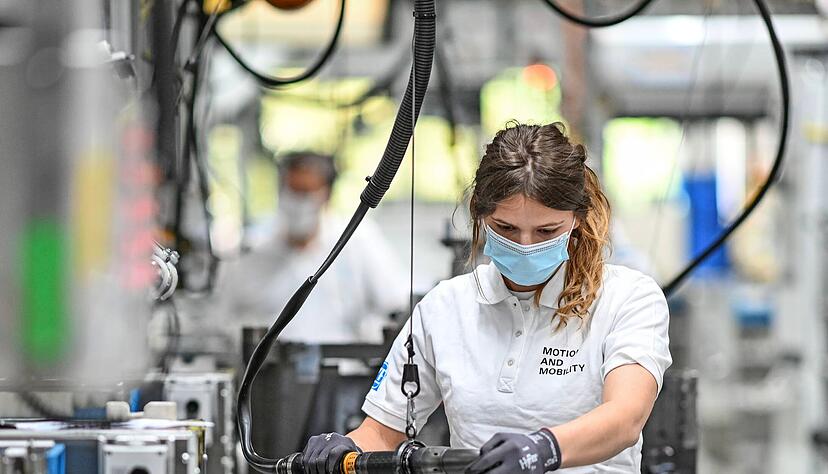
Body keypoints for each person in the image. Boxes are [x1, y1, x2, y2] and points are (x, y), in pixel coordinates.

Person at [299, 122, 672, 473]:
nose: (525, 245)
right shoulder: (443, 308)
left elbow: (625, 417)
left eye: (546, 231)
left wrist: (543, 450)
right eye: (506, 228)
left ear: (576, 219)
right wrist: (345, 449)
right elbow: (382, 431)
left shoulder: (628, 299)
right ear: (479, 215)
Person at [219, 151, 407, 344]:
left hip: (344, 365)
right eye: (292, 190)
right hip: (269, 369)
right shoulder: (254, 250)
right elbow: (223, 319)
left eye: (306, 193)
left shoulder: (358, 241)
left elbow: (395, 305)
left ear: (327, 195)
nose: (297, 202)